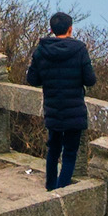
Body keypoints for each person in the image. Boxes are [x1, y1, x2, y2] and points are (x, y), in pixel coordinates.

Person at [27, 10, 94, 188]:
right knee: (70, 153)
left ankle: (50, 188)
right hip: (74, 110)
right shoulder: (79, 49)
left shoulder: (42, 50)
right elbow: (90, 80)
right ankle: (61, 191)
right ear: (70, 29)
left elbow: (32, 79)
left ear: (52, 29)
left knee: (53, 150)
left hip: (53, 108)